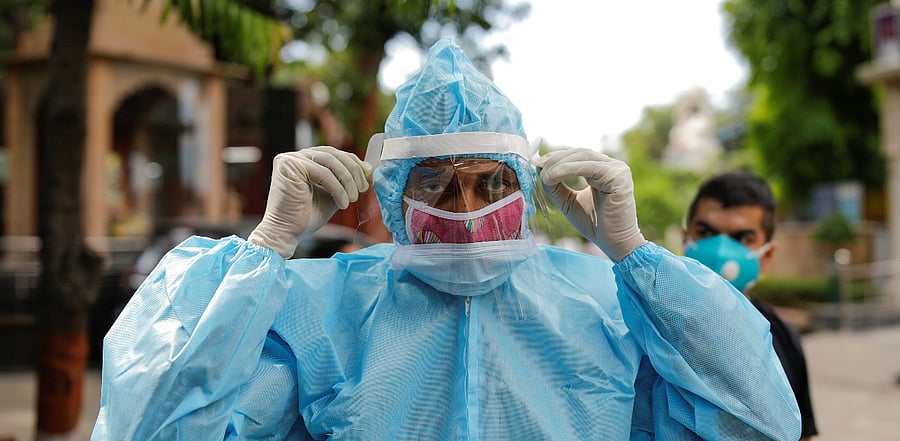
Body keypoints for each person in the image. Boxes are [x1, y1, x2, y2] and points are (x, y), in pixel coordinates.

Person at [91, 39, 801, 440]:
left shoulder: (605, 305)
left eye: (491, 183)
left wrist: (638, 257)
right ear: (394, 194)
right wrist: (264, 249)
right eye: (435, 183)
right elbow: (153, 430)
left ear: (527, 187)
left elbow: (758, 423)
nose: (465, 207)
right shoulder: (326, 309)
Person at [683, 171, 818, 440]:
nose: (721, 250)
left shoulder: (783, 338)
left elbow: (801, 434)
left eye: (742, 239)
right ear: (685, 238)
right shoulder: (649, 324)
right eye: (706, 233)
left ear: (766, 255)